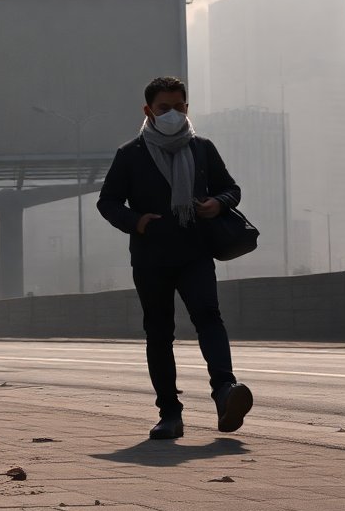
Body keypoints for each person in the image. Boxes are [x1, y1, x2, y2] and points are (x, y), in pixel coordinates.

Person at [96, 76, 253, 441]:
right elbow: (107, 201)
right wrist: (136, 221)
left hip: (195, 251)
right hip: (151, 257)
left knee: (209, 319)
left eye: (179, 107)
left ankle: (225, 393)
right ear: (147, 110)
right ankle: (169, 413)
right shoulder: (130, 154)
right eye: (164, 108)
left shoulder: (202, 149)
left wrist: (219, 203)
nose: (172, 114)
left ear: (188, 108)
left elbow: (231, 188)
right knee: (159, 333)